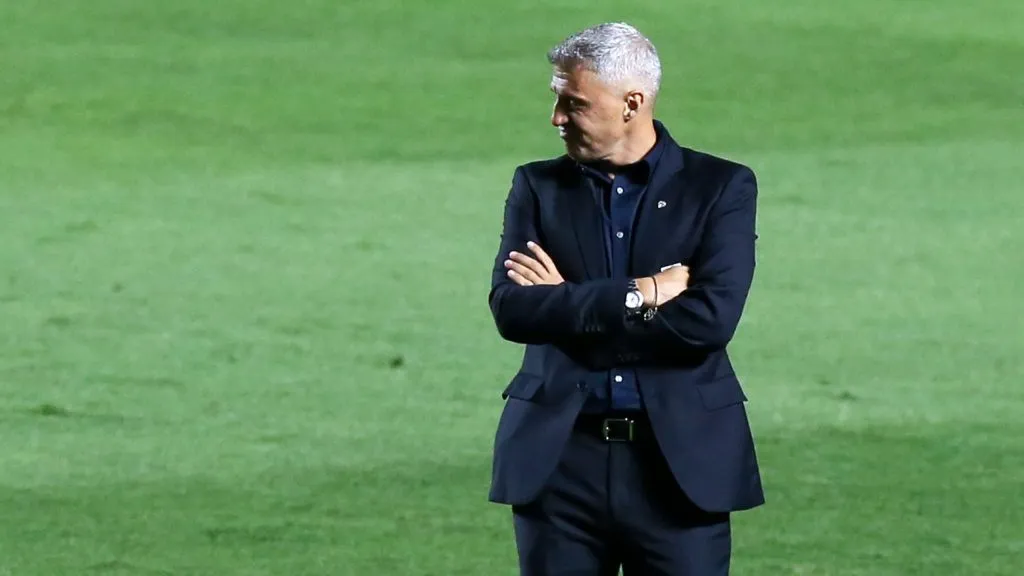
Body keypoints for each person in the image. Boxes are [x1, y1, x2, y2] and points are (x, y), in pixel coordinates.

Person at [486, 22, 765, 575]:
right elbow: (514, 309)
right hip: (561, 466)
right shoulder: (538, 187)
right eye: (557, 100)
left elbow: (710, 321)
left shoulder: (720, 187)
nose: (556, 118)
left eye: (574, 103)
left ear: (631, 104)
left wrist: (569, 303)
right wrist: (642, 293)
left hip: (678, 471)